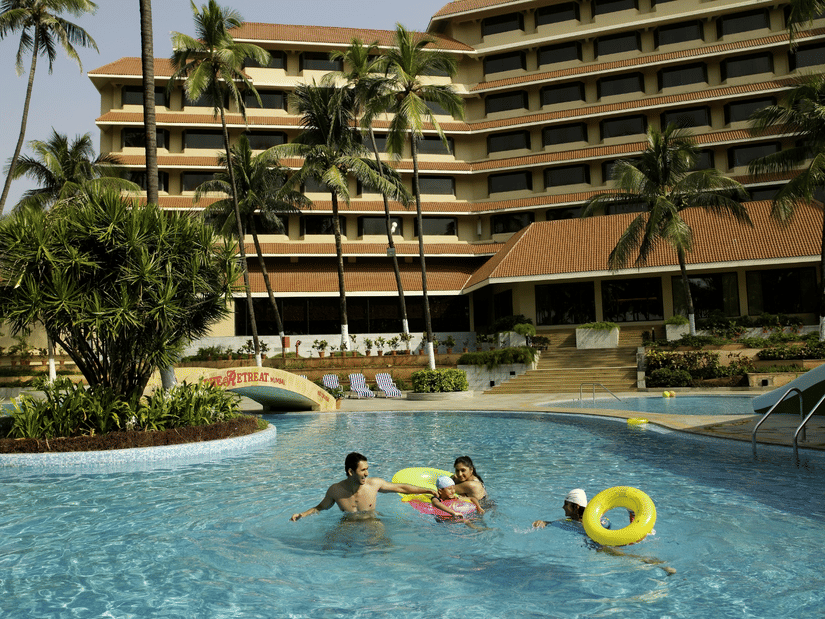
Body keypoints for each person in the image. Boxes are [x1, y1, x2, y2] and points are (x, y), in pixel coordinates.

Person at [532, 488, 676, 576]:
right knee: (624, 552)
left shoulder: (595, 521)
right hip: (604, 542)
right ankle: (656, 563)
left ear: (576, 507)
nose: (563, 507)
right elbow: (552, 523)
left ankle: (658, 564)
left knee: (626, 556)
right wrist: (543, 522)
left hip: (600, 546)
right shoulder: (589, 521)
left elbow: (605, 529)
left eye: (566, 504)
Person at [290, 452, 436, 522]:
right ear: (350, 472)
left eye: (367, 469)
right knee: (329, 546)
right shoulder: (336, 490)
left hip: (371, 522)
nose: (367, 473)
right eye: (363, 470)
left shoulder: (374, 484)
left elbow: (402, 488)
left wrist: (428, 490)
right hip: (348, 524)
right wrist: (302, 515)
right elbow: (320, 507)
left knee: (382, 547)